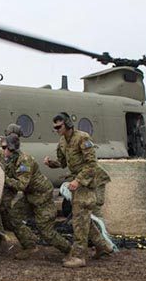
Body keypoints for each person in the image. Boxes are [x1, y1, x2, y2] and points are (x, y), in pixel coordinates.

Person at [44, 112, 113, 268]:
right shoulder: (62, 142)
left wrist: (78, 180)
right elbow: (62, 163)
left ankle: (79, 256)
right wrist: (51, 163)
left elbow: (92, 164)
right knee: (84, 218)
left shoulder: (82, 138)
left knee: (79, 218)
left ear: (67, 124)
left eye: (59, 126)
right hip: (78, 182)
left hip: (88, 182)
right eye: (54, 127)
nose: (56, 129)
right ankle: (103, 247)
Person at [2, 134, 72, 264]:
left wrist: (4, 178)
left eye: (5, 147)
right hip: (30, 195)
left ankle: (69, 250)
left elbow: (22, 185)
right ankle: (30, 245)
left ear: (12, 148)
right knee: (13, 217)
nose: (3, 150)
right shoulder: (11, 160)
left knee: (45, 231)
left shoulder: (24, 161)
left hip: (42, 196)